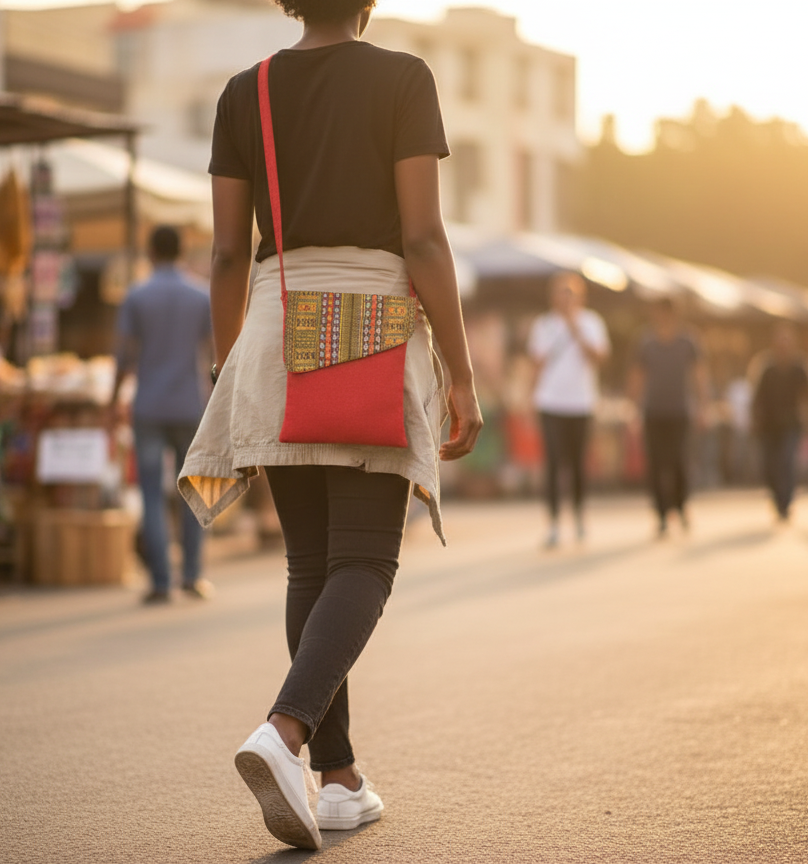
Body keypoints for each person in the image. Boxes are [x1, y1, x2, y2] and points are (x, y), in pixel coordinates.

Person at [176, 0, 482, 851]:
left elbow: (230, 253)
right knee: (366, 561)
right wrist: (461, 374)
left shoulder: (247, 92)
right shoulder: (402, 79)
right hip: (370, 325)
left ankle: (339, 780)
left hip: (275, 327)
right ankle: (286, 731)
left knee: (309, 563)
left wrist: (230, 363)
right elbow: (421, 236)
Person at [110, 225, 213, 604]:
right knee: (193, 492)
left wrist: (113, 398)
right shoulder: (200, 295)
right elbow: (214, 350)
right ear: (182, 250)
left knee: (152, 493)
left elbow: (123, 356)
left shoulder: (136, 296)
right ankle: (192, 576)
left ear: (151, 251)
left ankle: (159, 581)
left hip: (149, 406)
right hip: (190, 404)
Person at [527, 272, 610, 547]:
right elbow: (536, 364)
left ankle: (578, 516)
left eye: (570, 293)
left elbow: (599, 357)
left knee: (577, 464)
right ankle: (552, 522)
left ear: (580, 296)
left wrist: (575, 329)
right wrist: (530, 397)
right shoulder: (543, 325)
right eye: (561, 292)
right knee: (552, 463)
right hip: (550, 403)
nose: (565, 298)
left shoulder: (591, 322)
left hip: (581, 404)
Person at [629, 298, 709, 537]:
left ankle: (681, 505)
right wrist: (632, 407)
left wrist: (703, 405)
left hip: (680, 410)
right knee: (655, 464)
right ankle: (661, 514)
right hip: (653, 410)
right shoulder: (646, 341)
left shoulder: (688, 341)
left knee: (678, 460)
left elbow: (699, 375)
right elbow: (637, 375)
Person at [751, 325, 808, 522]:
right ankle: (777, 498)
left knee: (786, 461)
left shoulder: (800, 368)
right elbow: (757, 398)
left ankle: (785, 502)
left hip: (791, 423)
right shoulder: (767, 369)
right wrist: (755, 419)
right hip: (769, 425)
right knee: (771, 465)